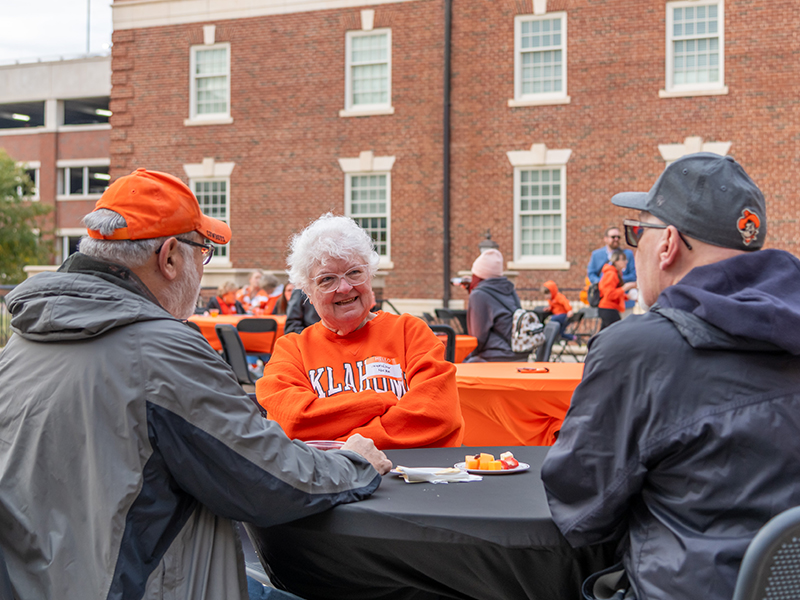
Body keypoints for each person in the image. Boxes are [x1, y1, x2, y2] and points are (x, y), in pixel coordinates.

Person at [0, 169, 392, 600]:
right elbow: (268, 479)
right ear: (169, 258)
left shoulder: (23, 343)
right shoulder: (160, 348)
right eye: (202, 252)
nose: (202, 269)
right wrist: (354, 463)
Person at [540, 153, 800, 600]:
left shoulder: (638, 350)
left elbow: (581, 508)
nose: (632, 247)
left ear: (667, 245)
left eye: (635, 232)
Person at [257, 213, 464, 449]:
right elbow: (292, 421)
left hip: (411, 479)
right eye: (327, 279)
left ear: (370, 277)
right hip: (330, 482)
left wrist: (338, 444)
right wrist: (381, 401)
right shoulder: (292, 350)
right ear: (308, 294)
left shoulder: (410, 333)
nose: (345, 287)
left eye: (354, 272)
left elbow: (435, 416)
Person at [463, 248, 526, 362]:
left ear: (478, 275)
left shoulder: (479, 295)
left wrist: (462, 357)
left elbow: (477, 339)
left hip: (497, 356)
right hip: (520, 354)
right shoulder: (509, 289)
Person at [587, 226, 637, 308]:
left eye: (618, 237)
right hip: (605, 301)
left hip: (624, 301)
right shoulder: (596, 255)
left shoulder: (628, 254)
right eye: (613, 237)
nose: (616, 239)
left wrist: (616, 281)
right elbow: (591, 274)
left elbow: (633, 275)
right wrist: (604, 283)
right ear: (605, 239)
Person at [597, 249, 636, 330]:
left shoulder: (615, 273)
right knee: (616, 332)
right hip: (608, 308)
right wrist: (624, 288)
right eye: (623, 259)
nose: (626, 262)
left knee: (604, 334)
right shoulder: (611, 274)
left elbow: (614, 293)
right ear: (616, 261)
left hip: (609, 308)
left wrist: (626, 297)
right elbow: (609, 294)